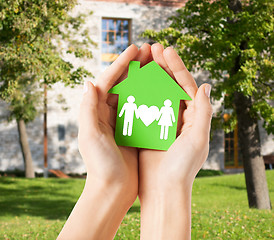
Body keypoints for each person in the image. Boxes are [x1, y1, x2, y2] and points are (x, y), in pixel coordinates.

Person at [57, 43, 212, 240]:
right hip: (135, 123)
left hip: (161, 125)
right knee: (133, 127)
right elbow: (123, 112)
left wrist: (165, 187)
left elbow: (157, 113)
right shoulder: (129, 106)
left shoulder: (162, 108)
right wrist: (108, 182)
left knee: (158, 130)